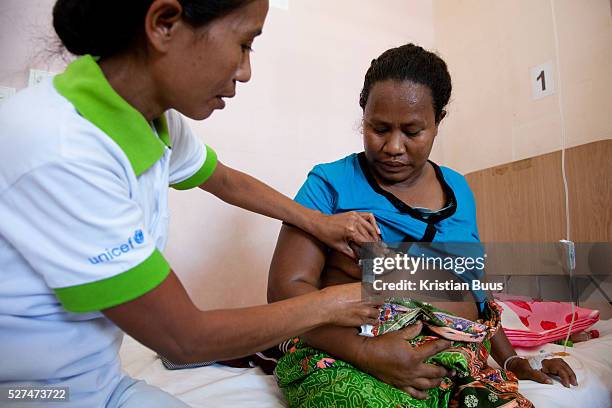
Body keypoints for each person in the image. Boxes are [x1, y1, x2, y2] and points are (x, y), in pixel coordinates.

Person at [0, 1, 382, 407]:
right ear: (164, 24)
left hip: (99, 379)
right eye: (244, 43)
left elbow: (226, 180)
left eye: (414, 130)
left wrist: (319, 223)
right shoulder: (60, 149)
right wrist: (333, 304)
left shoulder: (153, 119)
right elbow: (185, 337)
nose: (246, 71)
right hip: (29, 392)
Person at [268, 43, 577, 407]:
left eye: (412, 131)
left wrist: (510, 359)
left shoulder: (458, 188)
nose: (393, 147)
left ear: (437, 122)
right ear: (363, 116)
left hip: (456, 362)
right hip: (349, 355)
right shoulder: (330, 184)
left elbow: (474, 290)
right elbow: (284, 290)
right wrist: (366, 351)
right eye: (378, 128)